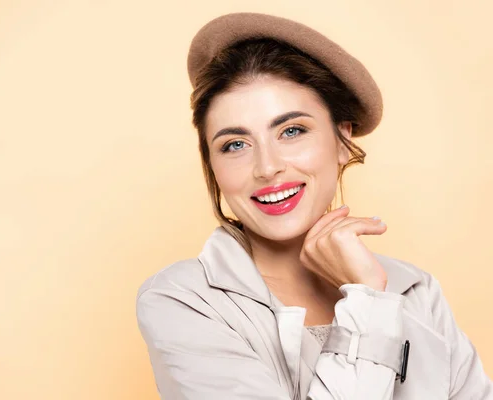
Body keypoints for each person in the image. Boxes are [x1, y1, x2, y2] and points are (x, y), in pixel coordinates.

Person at [135, 12, 493, 399]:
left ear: (342, 138)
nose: (267, 167)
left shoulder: (416, 292)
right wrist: (367, 301)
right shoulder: (185, 301)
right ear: (212, 163)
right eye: (235, 144)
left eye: (292, 131)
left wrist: (371, 291)